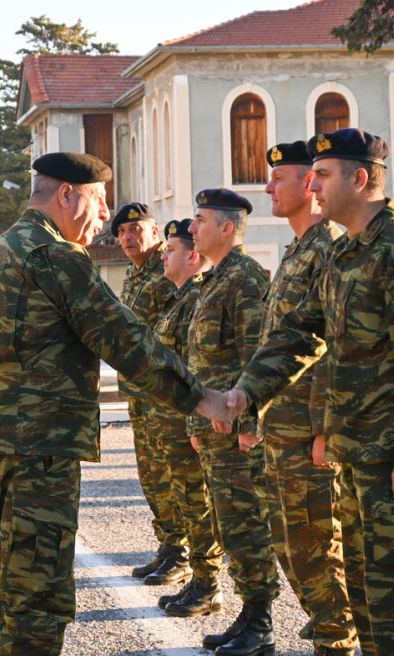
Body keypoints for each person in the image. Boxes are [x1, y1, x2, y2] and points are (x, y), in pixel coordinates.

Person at [0, 152, 226, 656]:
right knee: (40, 599)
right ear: (66, 195)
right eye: (99, 203)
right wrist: (202, 399)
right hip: (38, 451)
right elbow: (123, 339)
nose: (104, 218)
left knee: (12, 588)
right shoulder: (55, 256)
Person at [215, 129, 394, 656]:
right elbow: (297, 335)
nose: (313, 183)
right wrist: (243, 395)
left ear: (360, 178)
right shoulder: (344, 254)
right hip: (355, 456)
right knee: (367, 603)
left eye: (322, 174)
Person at [259, 141, 357, 656]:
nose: (269, 188)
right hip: (282, 427)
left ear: (307, 186)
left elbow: (333, 346)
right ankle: (328, 629)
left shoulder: (331, 248)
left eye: (279, 178)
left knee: (318, 546)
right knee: (291, 546)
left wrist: (323, 428)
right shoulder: (298, 250)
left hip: (309, 433)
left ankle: (336, 639)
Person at [183, 188, 278, 656]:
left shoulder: (245, 279)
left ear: (226, 228)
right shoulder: (213, 280)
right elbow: (201, 363)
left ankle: (261, 623)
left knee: (247, 525)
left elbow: (257, 355)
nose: (192, 228)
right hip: (213, 430)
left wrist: (249, 425)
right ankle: (248, 612)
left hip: (236, 430)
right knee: (228, 525)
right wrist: (196, 427)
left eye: (199, 220)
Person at [150, 219, 226, 616]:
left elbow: (196, 369)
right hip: (169, 423)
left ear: (193, 257)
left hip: (186, 423)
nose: (163, 255)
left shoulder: (196, 299)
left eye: (172, 250)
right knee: (187, 503)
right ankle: (199, 577)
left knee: (199, 505)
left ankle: (208, 583)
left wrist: (194, 423)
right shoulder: (176, 300)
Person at [109, 201, 187, 585]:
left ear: (154, 232)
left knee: (173, 474)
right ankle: (169, 545)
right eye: (122, 232)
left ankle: (184, 552)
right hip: (139, 393)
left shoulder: (166, 268)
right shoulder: (134, 273)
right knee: (151, 475)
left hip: (163, 393)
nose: (128, 237)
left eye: (136, 230)